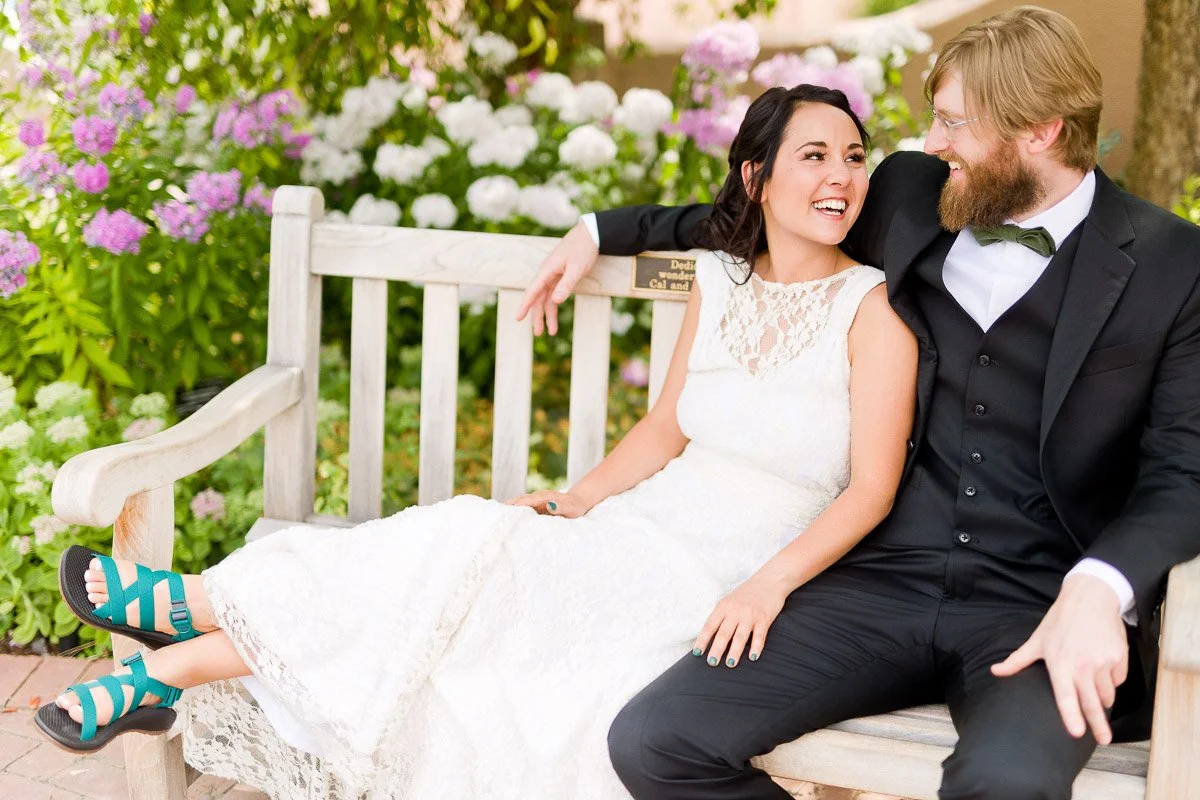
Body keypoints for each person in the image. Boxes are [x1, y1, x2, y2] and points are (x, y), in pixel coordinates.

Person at [35, 85, 917, 800]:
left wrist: (767, 587)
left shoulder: (873, 312)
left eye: (853, 157)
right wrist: (574, 501)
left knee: (466, 570)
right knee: (470, 546)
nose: (841, 175)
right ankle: (175, 659)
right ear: (757, 177)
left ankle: (179, 639)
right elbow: (662, 429)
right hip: (641, 525)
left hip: (723, 574)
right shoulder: (719, 283)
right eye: (815, 155)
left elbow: (870, 490)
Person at [522, 7, 1200, 799]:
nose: (931, 142)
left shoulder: (1171, 263)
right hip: (878, 580)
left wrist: (1103, 585)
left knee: (1006, 783)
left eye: (953, 123)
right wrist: (601, 229)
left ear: (1041, 131)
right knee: (656, 741)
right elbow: (765, 212)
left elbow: (1184, 472)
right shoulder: (917, 194)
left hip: (1040, 602)